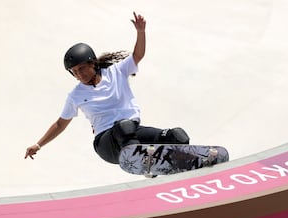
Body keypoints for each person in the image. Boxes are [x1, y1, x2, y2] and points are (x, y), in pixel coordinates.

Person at [25, 12, 190, 165]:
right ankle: (141, 162)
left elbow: (137, 56)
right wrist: (38, 145)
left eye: (81, 69)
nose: (79, 75)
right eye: (74, 72)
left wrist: (141, 32)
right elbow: (60, 124)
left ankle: (184, 161)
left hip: (132, 133)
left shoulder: (116, 72)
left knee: (176, 136)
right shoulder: (76, 95)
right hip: (106, 144)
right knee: (123, 127)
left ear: (92, 63)